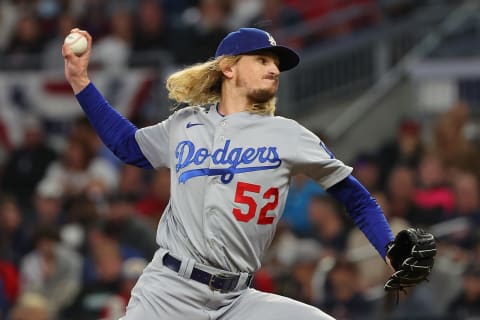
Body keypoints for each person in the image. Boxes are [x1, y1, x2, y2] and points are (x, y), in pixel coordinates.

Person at [63, 27, 395, 319]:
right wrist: (81, 82)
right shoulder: (185, 124)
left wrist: (390, 249)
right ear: (229, 67)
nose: (274, 69)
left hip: (238, 300)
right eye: (262, 60)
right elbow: (127, 145)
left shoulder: (289, 135)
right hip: (168, 292)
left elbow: (357, 199)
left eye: (276, 64)